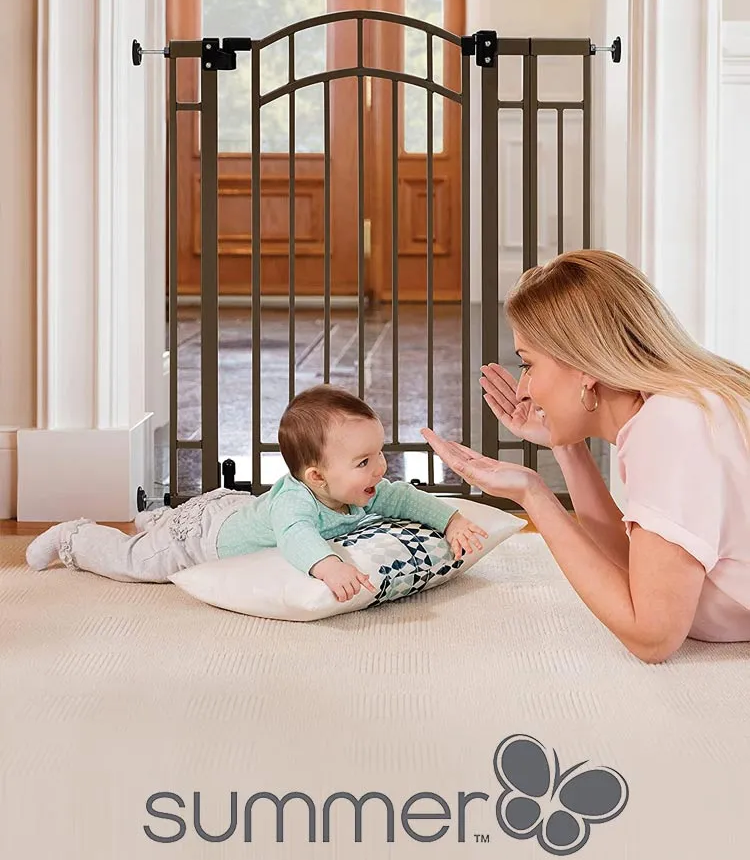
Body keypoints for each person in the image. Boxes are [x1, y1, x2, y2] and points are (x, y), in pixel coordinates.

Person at [422, 249, 750, 664]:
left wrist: (533, 496)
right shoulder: (677, 407)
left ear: (584, 367)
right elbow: (637, 566)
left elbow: (653, 636)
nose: (523, 389)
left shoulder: (670, 427)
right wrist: (565, 446)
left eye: (528, 365)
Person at [26, 385, 486, 603]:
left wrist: (452, 521)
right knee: (137, 562)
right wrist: (329, 566)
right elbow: (296, 537)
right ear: (316, 476)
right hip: (201, 538)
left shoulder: (360, 489)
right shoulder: (295, 504)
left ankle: (158, 520)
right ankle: (75, 538)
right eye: (364, 461)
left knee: (173, 525)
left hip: (235, 509)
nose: (380, 468)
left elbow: (404, 498)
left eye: (379, 453)